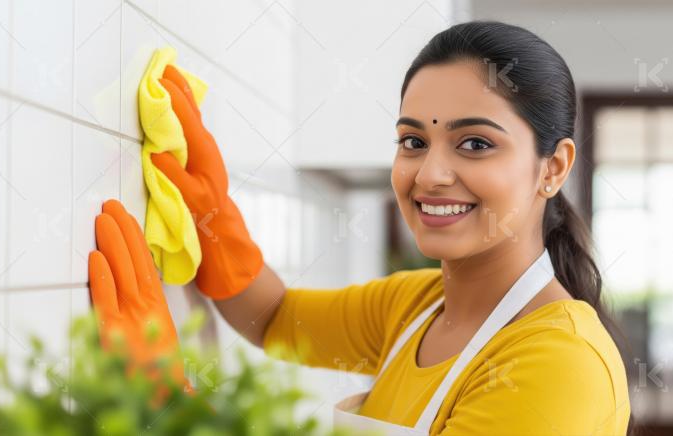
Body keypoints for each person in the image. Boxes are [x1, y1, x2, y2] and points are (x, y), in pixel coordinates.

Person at [89, 20, 632, 435]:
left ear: (553, 167)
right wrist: (212, 220)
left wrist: (168, 406)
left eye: (475, 144)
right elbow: (278, 320)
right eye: (413, 141)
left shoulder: (562, 365)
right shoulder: (415, 308)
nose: (430, 174)